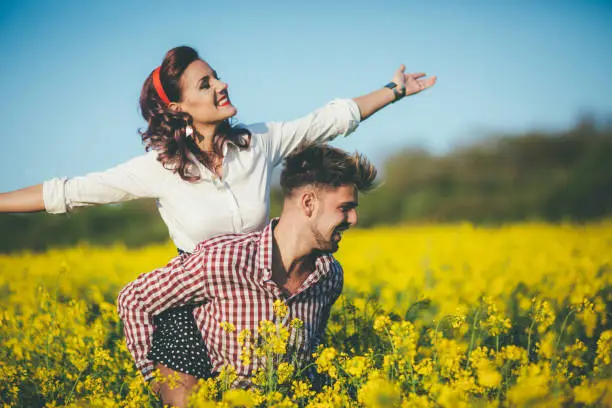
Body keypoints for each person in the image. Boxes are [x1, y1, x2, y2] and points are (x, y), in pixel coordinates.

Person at [0, 45, 435, 399]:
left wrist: (392, 91)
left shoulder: (257, 143)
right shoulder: (158, 167)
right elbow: (69, 192)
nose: (222, 85)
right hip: (191, 304)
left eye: (217, 76)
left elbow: (327, 121)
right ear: (177, 106)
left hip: (255, 290)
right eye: (206, 84)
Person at [117, 143, 377, 406]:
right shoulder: (226, 260)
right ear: (308, 203)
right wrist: (153, 379)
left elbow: (309, 357)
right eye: (345, 207)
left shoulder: (329, 277)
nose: (353, 218)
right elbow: (134, 298)